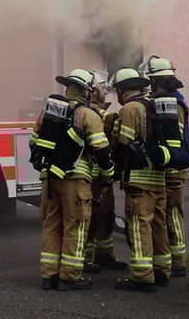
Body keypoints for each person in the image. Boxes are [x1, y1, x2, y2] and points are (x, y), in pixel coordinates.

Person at [31, 68, 113, 291]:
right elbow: (101, 150)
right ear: (86, 92)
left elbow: (33, 143)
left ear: (67, 87)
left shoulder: (48, 113)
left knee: (51, 225)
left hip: (49, 178)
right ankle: (70, 277)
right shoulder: (86, 114)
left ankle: (49, 276)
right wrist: (108, 175)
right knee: (75, 225)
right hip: (75, 179)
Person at [141, 56, 189, 278]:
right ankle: (173, 261)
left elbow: (173, 141)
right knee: (168, 215)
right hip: (173, 168)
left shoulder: (172, 104)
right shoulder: (175, 100)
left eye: (152, 83)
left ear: (159, 82)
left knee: (173, 215)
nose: (151, 88)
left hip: (174, 170)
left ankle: (178, 262)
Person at [111, 67, 169, 292]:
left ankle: (142, 276)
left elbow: (123, 145)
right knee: (158, 224)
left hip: (138, 180)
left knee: (138, 225)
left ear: (123, 90)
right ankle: (162, 270)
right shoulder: (155, 106)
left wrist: (113, 167)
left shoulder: (130, 109)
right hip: (159, 177)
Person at [83, 71, 127, 273]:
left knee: (106, 216)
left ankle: (104, 254)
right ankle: (87, 259)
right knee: (91, 218)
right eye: (103, 88)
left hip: (103, 176)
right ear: (93, 90)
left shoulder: (98, 111)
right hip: (92, 177)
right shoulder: (90, 112)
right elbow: (111, 120)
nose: (105, 92)